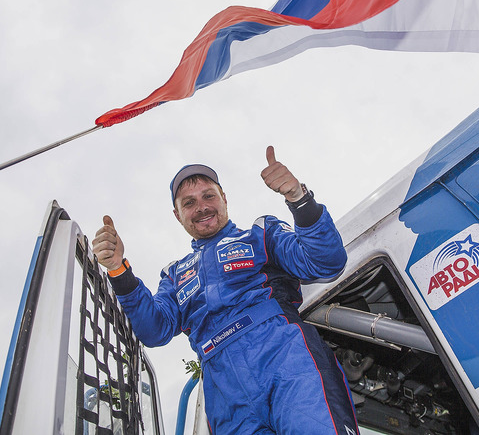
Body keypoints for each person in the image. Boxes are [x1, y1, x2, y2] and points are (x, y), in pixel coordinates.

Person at [92, 146, 358, 434]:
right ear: (177, 215)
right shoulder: (174, 274)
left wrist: (298, 198)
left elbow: (326, 263)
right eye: (189, 203)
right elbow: (154, 330)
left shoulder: (260, 233)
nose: (202, 207)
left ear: (224, 199)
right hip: (224, 394)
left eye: (209, 196)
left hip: (287, 361)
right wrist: (118, 269)